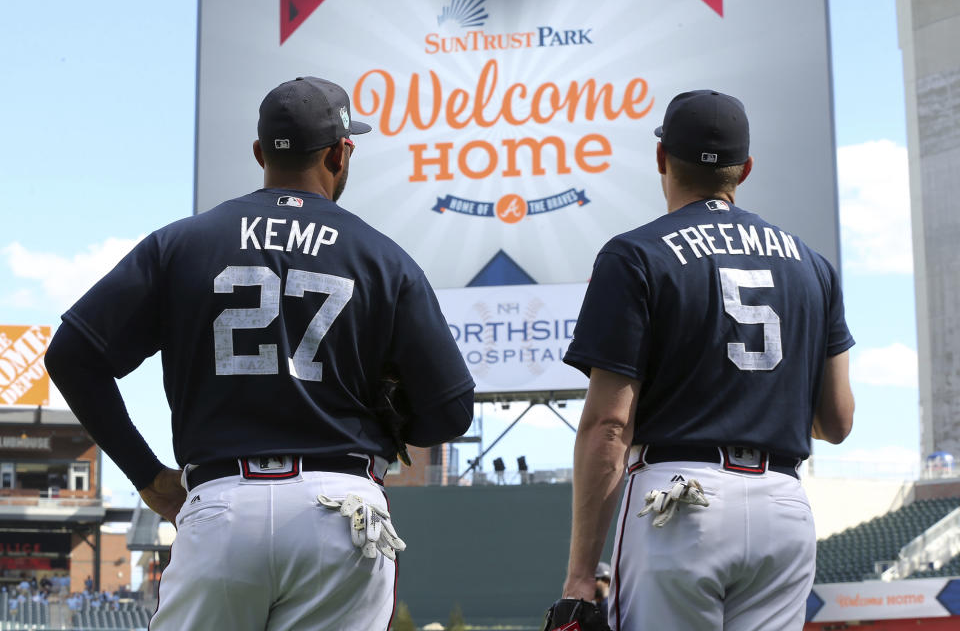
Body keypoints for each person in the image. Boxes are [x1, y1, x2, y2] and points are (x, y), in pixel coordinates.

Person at [45, 76, 475, 631]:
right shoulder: (383, 259)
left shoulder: (182, 244)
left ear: (259, 153)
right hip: (341, 509)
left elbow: (71, 355)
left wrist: (148, 475)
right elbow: (452, 411)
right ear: (340, 154)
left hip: (223, 503)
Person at [558, 90, 855, 630]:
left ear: (660, 158)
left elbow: (609, 423)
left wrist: (582, 575)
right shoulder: (813, 265)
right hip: (782, 505)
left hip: (680, 503)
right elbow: (837, 421)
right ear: (745, 168)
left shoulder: (636, 254)